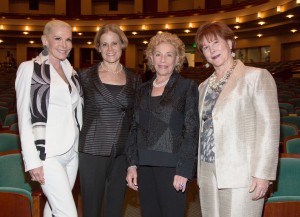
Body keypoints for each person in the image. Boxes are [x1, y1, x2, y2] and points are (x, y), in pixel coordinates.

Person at [195, 21, 280, 217]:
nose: (211, 50)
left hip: (243, 173)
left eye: (215, 42)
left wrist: (263, 174)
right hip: (207, 169)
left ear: (230, 43)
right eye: (205, 47)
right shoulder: (203, 86)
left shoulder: (256, 77)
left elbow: (269, 128)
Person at [126, 32, 199, 217]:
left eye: (169, 54)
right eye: (158, 54)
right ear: (151, 57)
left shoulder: (187, 87)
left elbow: (191, 130)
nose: (163, 59)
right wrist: (132, 164)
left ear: (177, 59)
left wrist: (184, 170)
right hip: (144, 166)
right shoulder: (141, 90)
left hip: (173, 168)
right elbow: (134, 129)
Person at [15, 20, 83, 217]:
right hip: (47, 155)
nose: (64, 44)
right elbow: (24, 118)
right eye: (58, 38)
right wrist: (32, 160)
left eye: (68, 39)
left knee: (54, 207)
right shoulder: (29, 68)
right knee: (68, 212)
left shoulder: (71, 72)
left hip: (72, 153)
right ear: (45, 40)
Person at [78, 23, 141, 217]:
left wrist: (133, 160)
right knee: (91, 208)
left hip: (121, 153)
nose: (110, 49)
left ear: (123, 45)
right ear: (98, 47)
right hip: (92, 150)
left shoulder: (134, 78)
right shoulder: (84, 76)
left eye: (114, 43)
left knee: (115, 208)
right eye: (104, 44)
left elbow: (135, 121)